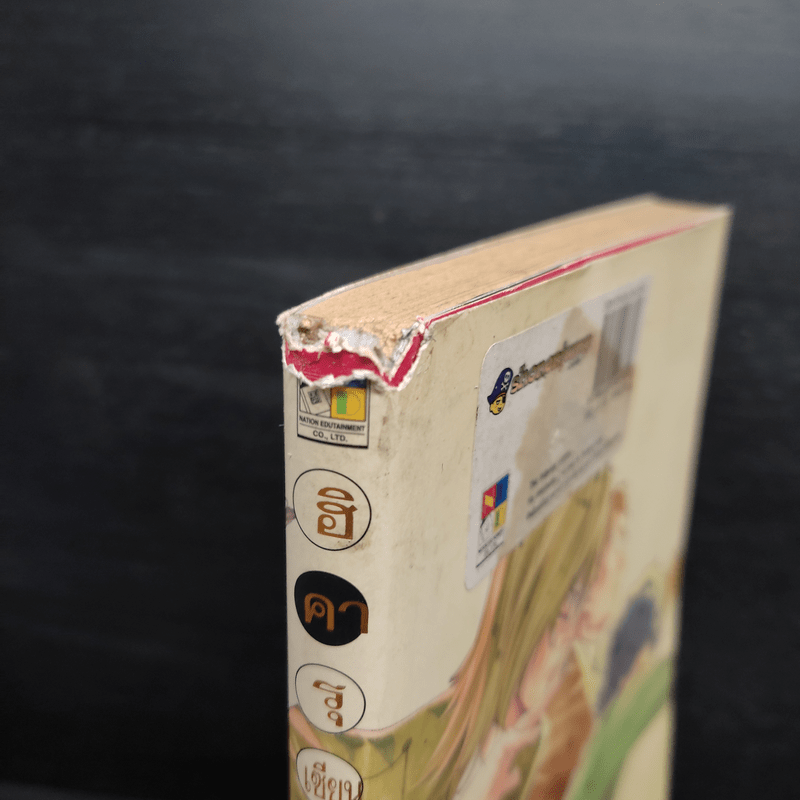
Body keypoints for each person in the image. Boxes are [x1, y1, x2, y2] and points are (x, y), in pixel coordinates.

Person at [289, 468, 669, 800]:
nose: (567, 655)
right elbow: (312, 738)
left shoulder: (528, 745)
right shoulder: (411, 751)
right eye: (565, 615)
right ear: (524, 610)